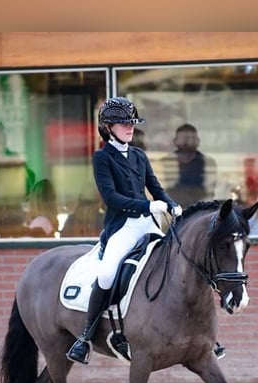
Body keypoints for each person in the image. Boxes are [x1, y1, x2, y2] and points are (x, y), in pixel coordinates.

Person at [66, 97, 182, 365]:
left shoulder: (139, 155)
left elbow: (156, 187)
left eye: (131, 123)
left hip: (149, 222)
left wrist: (173, 205)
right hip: (123, 226)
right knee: (107, 274)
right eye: (123, 123)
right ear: (108, 127)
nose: (130, 128)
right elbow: (111, 198)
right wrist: (148, 206)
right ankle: (85, 336)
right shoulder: (102, 158)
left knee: (179, 260)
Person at [160, 123, 218, 207]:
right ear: (175, 141)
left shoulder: (208, 162)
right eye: (184, 139)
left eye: (192, 138)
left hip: (199, 211)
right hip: (172, 210)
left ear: (198, 141)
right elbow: (161, 192)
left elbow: (209, 193)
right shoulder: (165, 163)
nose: (188, 142)